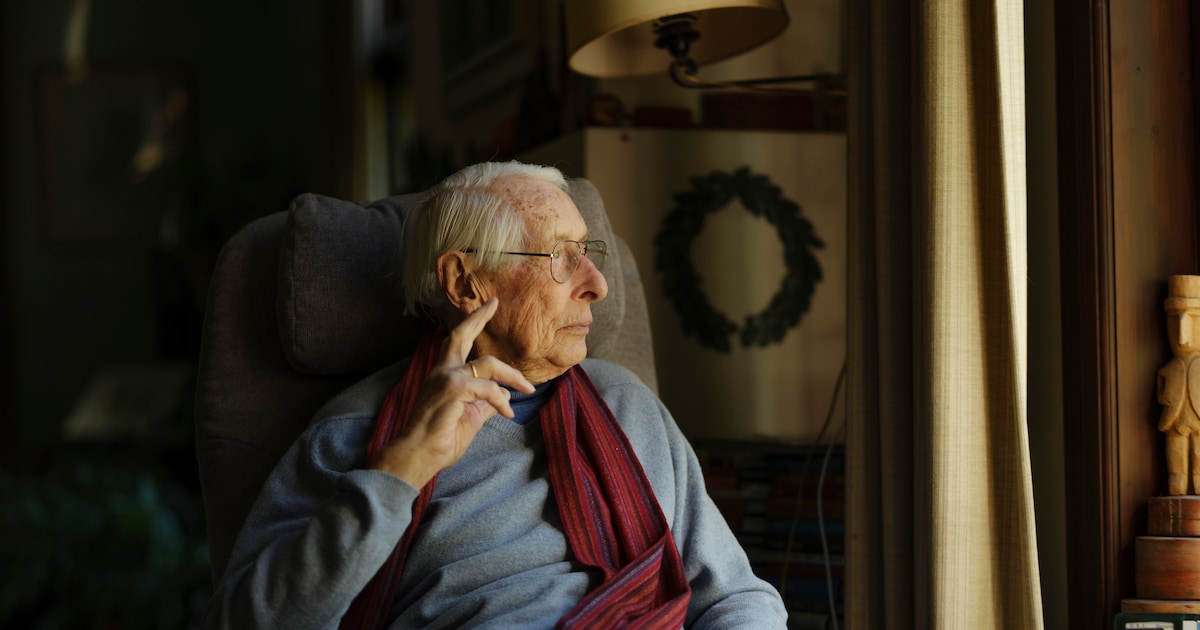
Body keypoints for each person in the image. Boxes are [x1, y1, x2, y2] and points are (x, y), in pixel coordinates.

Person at [203, 161, 788, 628]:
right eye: (558, 255)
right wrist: (402, 470)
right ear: (464, 281)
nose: (598, 284)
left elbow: (735, 596)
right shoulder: (354, 432)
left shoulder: (626, 403)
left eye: (588, 250)